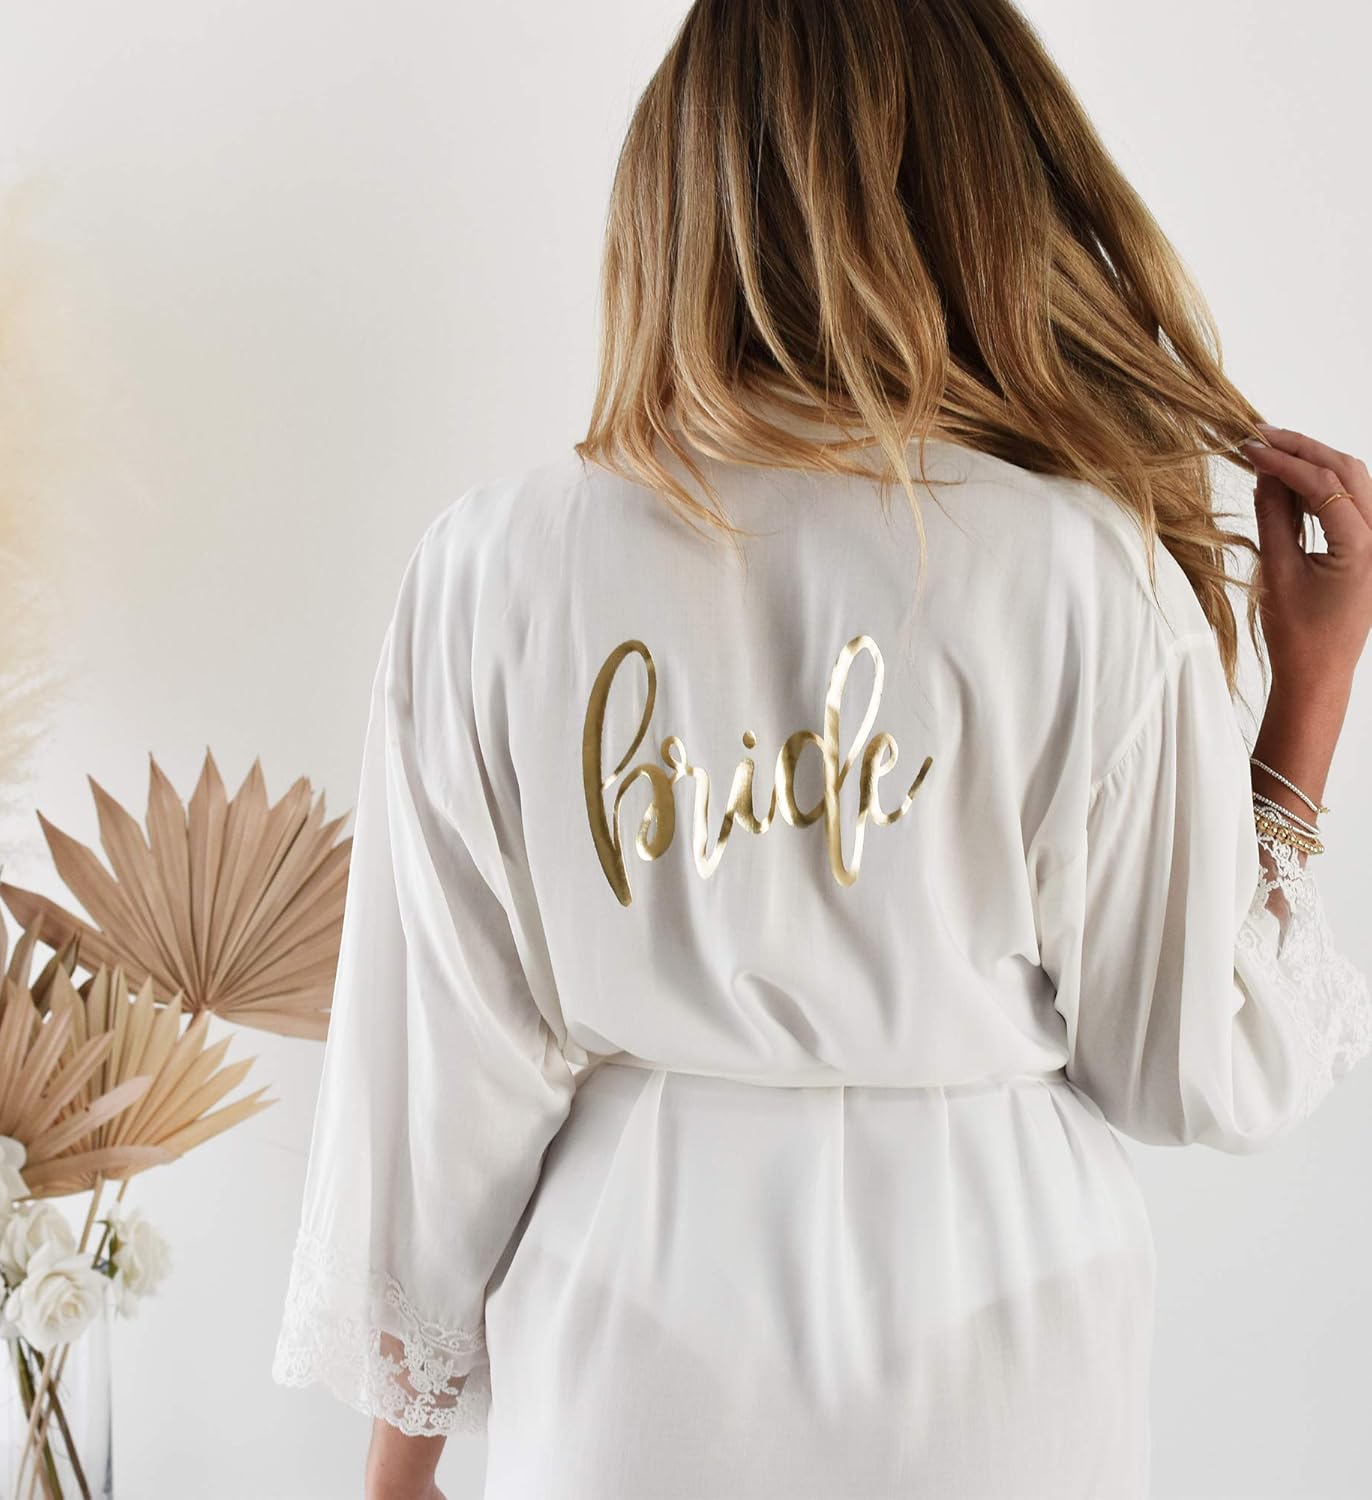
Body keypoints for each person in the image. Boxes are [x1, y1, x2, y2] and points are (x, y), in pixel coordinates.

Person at [271, 2, 1372, 1496]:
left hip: (630, 1330)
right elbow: (1191, 1065)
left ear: (676, 188)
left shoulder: (494, 565)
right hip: (1005, 1321)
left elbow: (445, 1075)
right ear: (989, 188)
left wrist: (396, 1473)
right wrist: (1308, 701)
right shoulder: (1082, 570)